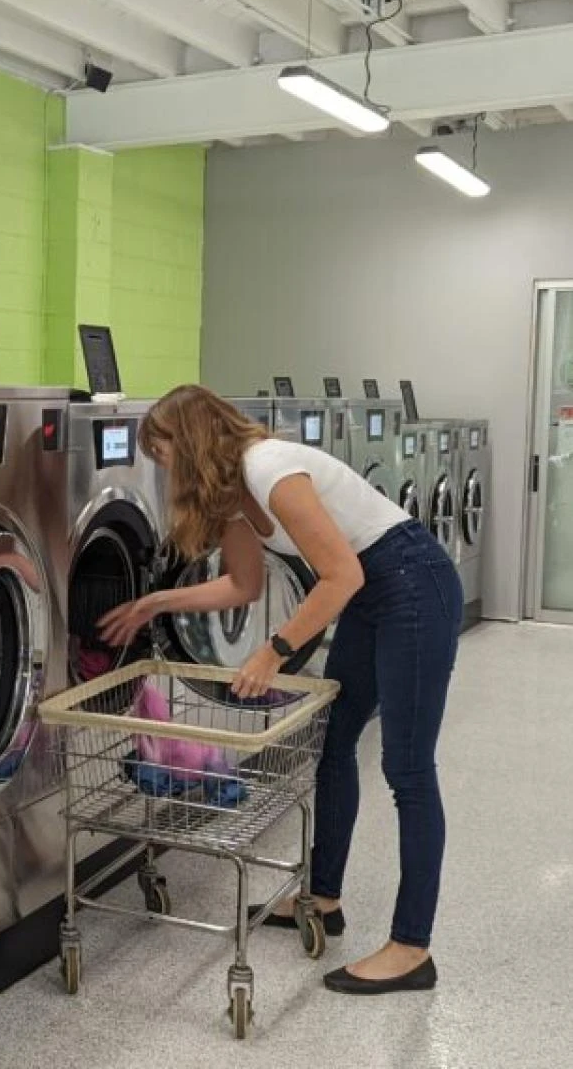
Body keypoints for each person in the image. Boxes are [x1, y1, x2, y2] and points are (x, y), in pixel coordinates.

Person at [97, 385, 462, 995]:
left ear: (188, 442)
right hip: (372, 591)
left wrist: (275, 650)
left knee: (407, 767)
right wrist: (157, 601)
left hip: (412, 582)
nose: (162, 466)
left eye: (161, 451)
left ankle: (411, 947)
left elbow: (341, 573)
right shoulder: (235, 497)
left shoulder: (266, 467)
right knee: (335, 739)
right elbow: (241, 586)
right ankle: (323, 898)